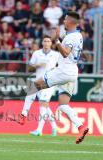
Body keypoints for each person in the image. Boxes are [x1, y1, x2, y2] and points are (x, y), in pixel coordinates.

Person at [34, 11, 89, 144]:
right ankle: (81, 127)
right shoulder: (77, 35)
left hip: (63, 71)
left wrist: (57, 40)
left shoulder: (71, 37)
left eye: (65, 19)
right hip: (71, 72)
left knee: (36, 86)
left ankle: (24, 115)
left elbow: (65, 53)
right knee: (63, 105)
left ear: (71, 21)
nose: (63, 21)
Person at [18, 36, 59, 136]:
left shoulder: (56, 54)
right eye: (44, 41)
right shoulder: (37, 53)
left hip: (49, 82)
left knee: (43, 104)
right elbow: (30, 67)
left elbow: (61, 66)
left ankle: (39, 130)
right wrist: (37, 65)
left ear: (51, 43)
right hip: (39, 80)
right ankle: (24, 115)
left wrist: (55, 70)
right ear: (42, 42)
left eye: (48, 41)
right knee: (30, 96)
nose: (46, 43)